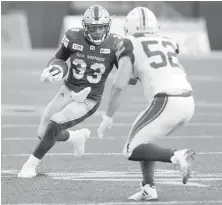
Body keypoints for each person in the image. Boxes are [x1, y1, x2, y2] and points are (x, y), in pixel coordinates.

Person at [18, 5, 130, 178]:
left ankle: (30, 166)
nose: (98, 32)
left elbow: (128, 76)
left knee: (55, 123)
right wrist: (50, 70)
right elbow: (59, 58)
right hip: (68, 89)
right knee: (43, 132)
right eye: (93, 28)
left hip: (89, 98)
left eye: (101, 27)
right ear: (85, 27)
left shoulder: (116, 44)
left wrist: (135, 69)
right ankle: (75, 137)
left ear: (108, 26)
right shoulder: (72, 36)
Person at [97, 7, 195, 201]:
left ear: (128, 27)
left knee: (131, 149)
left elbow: (120, 85)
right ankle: (148, 188)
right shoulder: (168, 41)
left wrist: (108, 116)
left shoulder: (129, 42)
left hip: (166, 100)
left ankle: (177, 155)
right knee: (144, 140)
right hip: (187, 100)